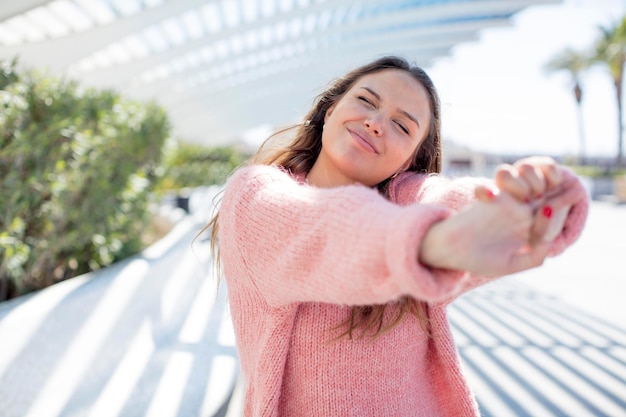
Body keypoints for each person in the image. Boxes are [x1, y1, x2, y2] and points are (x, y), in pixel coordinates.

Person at [205, 56, 588, 416]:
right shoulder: (254, 194)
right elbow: (317, 229)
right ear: (330, 110)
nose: (376, 122)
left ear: (408, 161)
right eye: (366, 101)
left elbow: (445, 200)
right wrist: (434, 242)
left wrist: (528, 200)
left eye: (402, 126)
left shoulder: (409, 201)